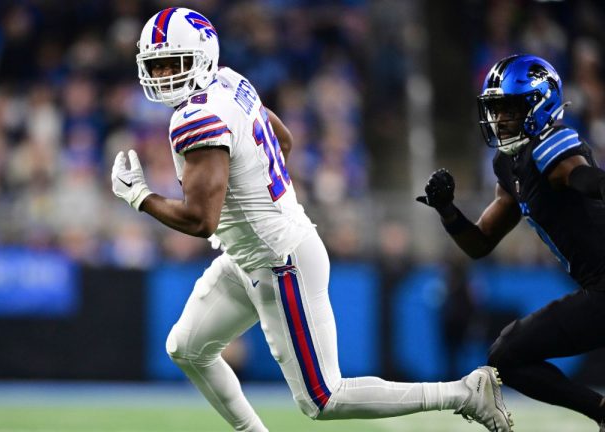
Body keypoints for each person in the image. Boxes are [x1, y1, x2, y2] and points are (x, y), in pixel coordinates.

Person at [112, 7, 512, 432]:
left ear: (203, 56)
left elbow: (200, 221)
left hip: (279, 259)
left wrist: (140, 196)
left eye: (173, 63)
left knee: (323, 398)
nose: (162, 75)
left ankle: (465, 392)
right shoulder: (230, 82)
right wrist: (257, 195)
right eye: (155, 65)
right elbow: (282, 140)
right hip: (254, 252)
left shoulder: (197, 117)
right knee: (186, 348)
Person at [417, 54, 605, 432]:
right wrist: (448, 211)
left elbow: (581, 176)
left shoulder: (552, 143)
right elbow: (481, 243)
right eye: (496, 109)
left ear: (540, 105)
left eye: (511, 109)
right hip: (597, 288)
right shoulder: (511, 163)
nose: (501, 119)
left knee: (508, 353)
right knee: (506, 356)